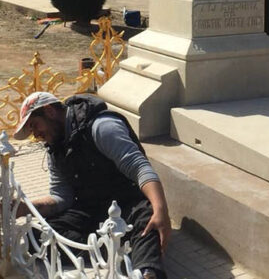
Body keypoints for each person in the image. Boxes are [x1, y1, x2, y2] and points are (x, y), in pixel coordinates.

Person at [13, 92, 171, 279]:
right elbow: (61, 197)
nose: (36, 135)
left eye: (34, 125)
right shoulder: (55, 146)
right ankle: (108, 248)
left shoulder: (102, 127)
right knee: (36, 237)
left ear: (49, 111)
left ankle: (146, 272)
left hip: (126, 204)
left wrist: (161, 210)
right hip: (89, 209)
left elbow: (139, 168)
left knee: (147, 217)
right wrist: (24, 208)